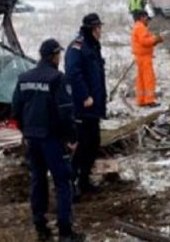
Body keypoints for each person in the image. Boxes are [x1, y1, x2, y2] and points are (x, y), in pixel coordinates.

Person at [13, 38, 84, 242]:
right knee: (63, 182)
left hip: (32, 139)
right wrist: (71, 138)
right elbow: (65, 112)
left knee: (38, 179)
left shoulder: (24, 78)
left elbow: (16, 109)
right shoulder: (57, 79)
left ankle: (40, 225)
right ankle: (65, 231)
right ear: (54, 56)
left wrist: (26, 131)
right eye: (58, 55)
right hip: (52, 139)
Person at [64, 12, 107, 199]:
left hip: (94, 106)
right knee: (82, 145)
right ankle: (71, 182)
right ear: (91, 29)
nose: (100, 31)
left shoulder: (92, 46)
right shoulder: (77, 47)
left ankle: (84, 180)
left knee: (93, 143)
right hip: (83, 106)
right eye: (98, 28)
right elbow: (73, 73)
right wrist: (85, 96)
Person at [131, 10, 163, 107]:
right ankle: (149, 100)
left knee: (141, 80)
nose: (148, 21)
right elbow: (144, 41)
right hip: (144, 58)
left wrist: (154, 41)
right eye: (146, 18)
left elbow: (144, 41)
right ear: (142, 17)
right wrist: (156, 39)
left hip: (140, 57)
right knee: (149, 79)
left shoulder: (137, 26)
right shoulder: (141, 27)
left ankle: (141, 100)